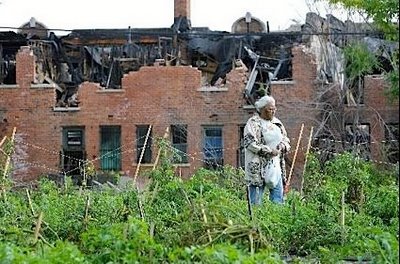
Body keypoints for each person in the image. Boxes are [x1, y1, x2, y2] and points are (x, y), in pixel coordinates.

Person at [243, 95, 290, 204]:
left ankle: (277, 219)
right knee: (256, 201)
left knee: (278, 198)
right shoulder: (253, 123)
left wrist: (281, 147)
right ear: (262, 110)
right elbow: (249, 142)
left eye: (274, 109)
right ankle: (255, 219)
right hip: (257, 166)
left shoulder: (277, 123)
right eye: (270, 109)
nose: (273, 111)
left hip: (275, 165)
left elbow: (285, 139)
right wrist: (268, 151)